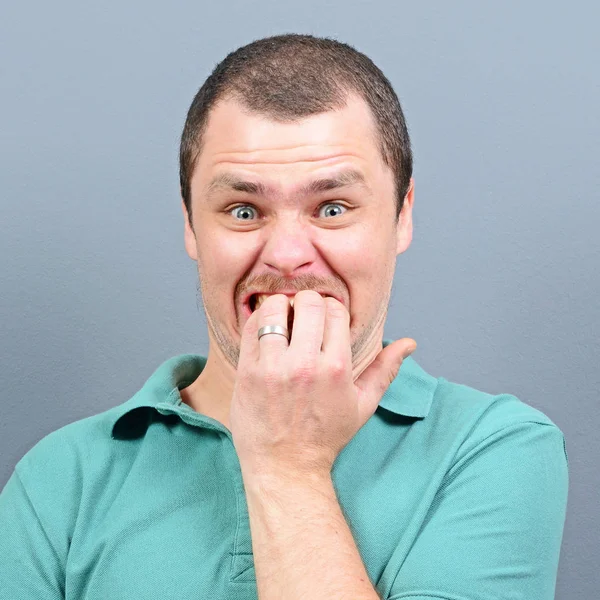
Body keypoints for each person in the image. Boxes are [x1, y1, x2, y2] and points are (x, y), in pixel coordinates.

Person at [0, 34, 568, 600]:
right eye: (244, 210)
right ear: (191, 227)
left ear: (401, 217)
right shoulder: (58, 479)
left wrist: (288, 464)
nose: (288, 254)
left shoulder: (496, 448)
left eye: (333, 208)